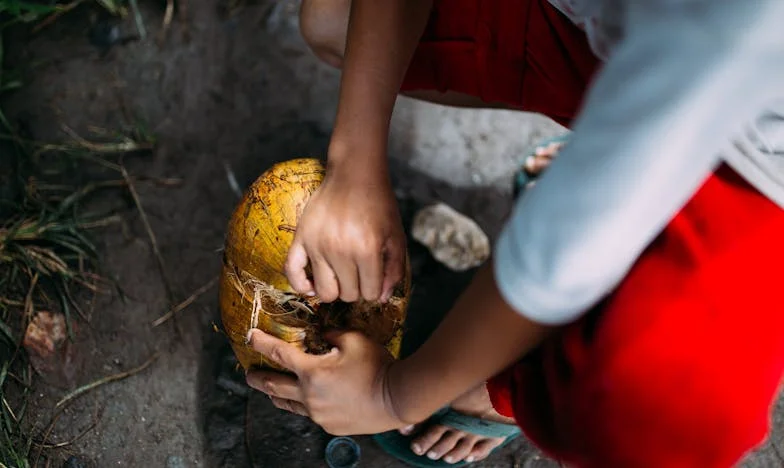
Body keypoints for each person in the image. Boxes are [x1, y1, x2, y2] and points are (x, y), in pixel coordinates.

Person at [245, 0, 784, 466]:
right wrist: (354, 165)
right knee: (336, 20)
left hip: (759, 162)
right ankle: (611, 141)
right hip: (628, 42)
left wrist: (393, 396)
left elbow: (564, 255)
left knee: (667, 418)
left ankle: (509, 385)